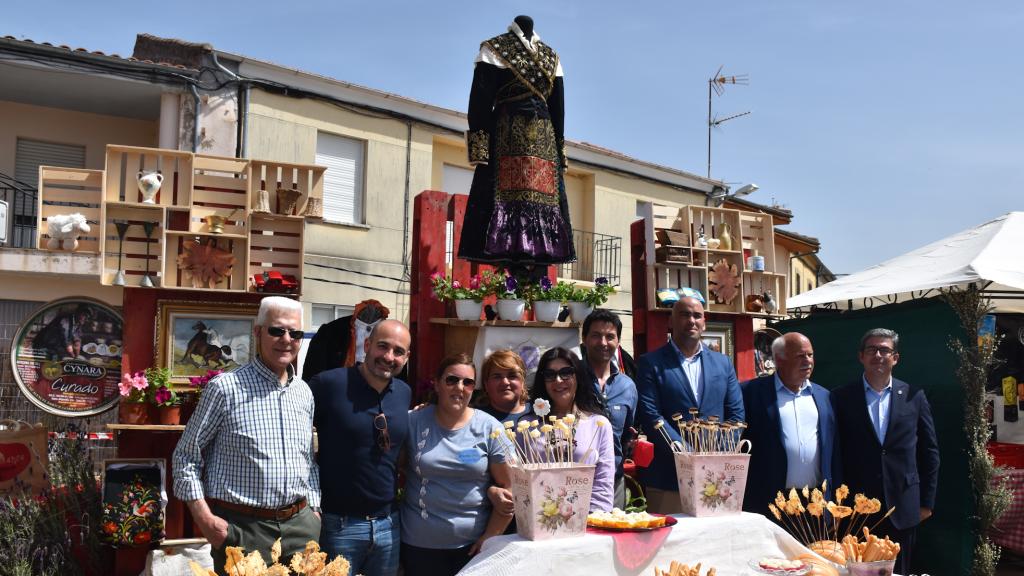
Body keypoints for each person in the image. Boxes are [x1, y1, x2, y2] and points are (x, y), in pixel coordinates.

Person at [173, 296, 320, 574]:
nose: (286, 339)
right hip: (243, 529)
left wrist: (314, 511)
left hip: (301, 527)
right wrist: (205, 520)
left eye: (295, 333)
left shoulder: (304, 393)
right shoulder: (225, 388)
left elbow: (308, 460)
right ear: (258, 332)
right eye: (277, 330)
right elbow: (185, 456)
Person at [458, 15, 575, 268]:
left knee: (544, 200)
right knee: (500, 196)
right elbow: (479, 102)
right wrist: (480, 146)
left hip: (544, 142)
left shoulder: (551, 57)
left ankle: (536, 260)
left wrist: (559, 149)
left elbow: (559, 108)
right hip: (505, 132)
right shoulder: (494, 48)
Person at [832, 328, 939, 575]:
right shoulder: (841, 397)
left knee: (899, 571)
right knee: (856, 570)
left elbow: (930, 452)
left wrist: (927, 503)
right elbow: (835, 452)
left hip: (903, 507)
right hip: (856, 509)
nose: (878, 355)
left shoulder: (914, 396)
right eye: (872, 349)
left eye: (885, 350)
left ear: (895, 358)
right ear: (861, 356)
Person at [310, 319, 412, 576]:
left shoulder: (404, 393)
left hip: (388, 524)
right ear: (366, 345)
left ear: (406, 357)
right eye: (383, 347)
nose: (389, 357)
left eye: (398, 351)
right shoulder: (327, 385)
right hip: (338, 525)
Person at [401, 353, 513, 576]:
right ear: (437, 383)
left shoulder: (490, 428)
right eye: (452, 380)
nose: (459, 387)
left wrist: (490, 538)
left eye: (468, 382)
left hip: (472, 547)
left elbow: (510, 489)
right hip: (419, 545)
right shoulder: (413, 421)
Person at [635, 296, 745, 513]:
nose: (691, 320)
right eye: (684, 314)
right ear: (671, 321)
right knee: (670, 543)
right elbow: (650, 414)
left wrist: (714, 455)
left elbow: (736, 414)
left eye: (697, 315)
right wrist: (687, 455)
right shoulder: (651, 363)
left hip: (716, 476)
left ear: (704, 322)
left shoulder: (723, 363)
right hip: (669, 476)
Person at [740, 333, 839, 516]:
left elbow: (834, 452)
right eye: (801, 356)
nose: (808, 361)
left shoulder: (824, 396)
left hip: (815, 503)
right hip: (769, 503)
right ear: (780, 359)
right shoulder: (750, 393)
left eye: (810, 355)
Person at [528, 347, 615, 512]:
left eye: (566, 372)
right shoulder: (527, 427)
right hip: (541, 522)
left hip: (587, 524)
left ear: (578, 377)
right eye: (550, 375)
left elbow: (603, 486)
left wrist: (589, 525)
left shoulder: (599, 425)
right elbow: (520, 483)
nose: (558, 380)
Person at [578, 309, 638, 509]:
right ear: (584, 338)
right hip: (574, 480)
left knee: (611, 537)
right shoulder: (571, 378)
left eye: (610, 337)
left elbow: (627, 433)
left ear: (618, 341)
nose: (603, 343)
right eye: (596, 336)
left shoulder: (627, 386)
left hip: (614, 480)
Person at [477, 349, 532, 424]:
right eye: (497, 377)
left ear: (522, 382)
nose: (505, 382)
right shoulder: (476, 420)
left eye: (512, 376)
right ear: (486, 384)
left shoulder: (540, 412)